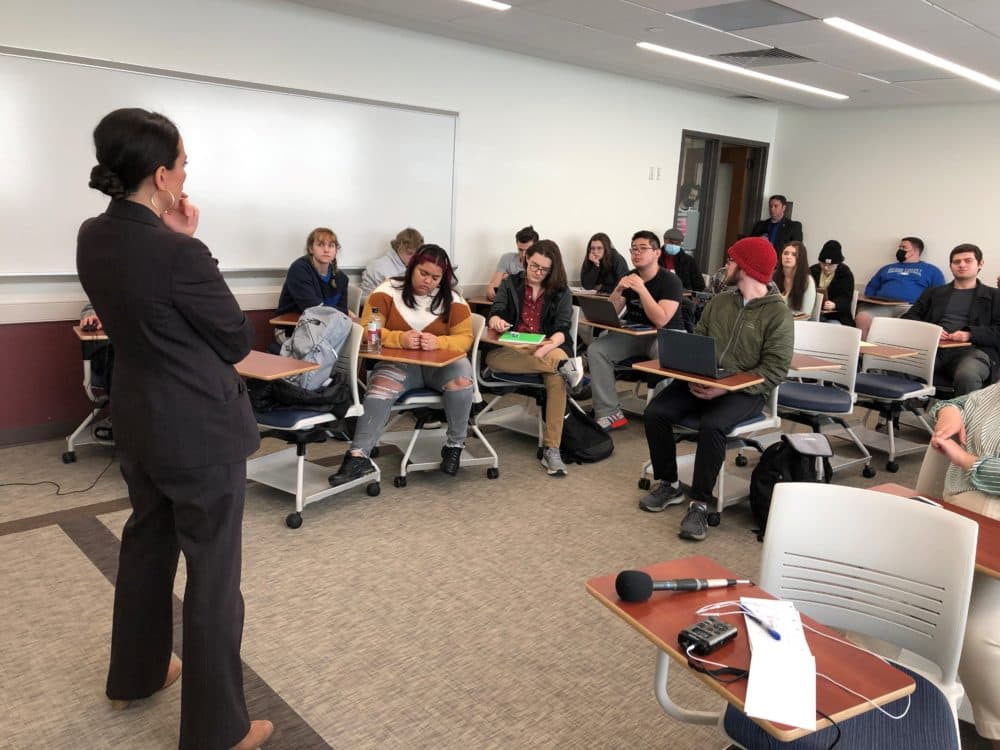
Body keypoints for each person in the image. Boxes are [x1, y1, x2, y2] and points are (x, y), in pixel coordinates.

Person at [76, 109, 271, 750]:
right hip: (200, 433)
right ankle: (219, 733)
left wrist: (176, 238)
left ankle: (136, 672)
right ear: (162, 176)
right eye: (183, 164)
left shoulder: (91, 235)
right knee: (213, 577)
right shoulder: (178, 252)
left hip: (138, 421)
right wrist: (192, 242)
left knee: (146, 549)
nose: (187, 174)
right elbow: (232, 336)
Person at [639, 237, 793, 542]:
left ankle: (699, 504)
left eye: (733, 261)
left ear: (747, 268)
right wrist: (694, 374)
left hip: (744, 391)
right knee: (655, 411)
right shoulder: (721, 301)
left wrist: (724, 389)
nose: (727, 266)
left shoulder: (778, 314)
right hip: (703, 380)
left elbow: (774, 369)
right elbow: (698, 340)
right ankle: (669, 484)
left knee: (712, 425)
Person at [329, 245, 475, 485]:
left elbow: (465, 339)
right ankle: (358, 456)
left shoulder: (455, 300)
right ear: (411, 268)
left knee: (462, 378)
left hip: (441, 368)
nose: (428, 281)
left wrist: (438, 341)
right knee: (378, 389)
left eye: (435, 277)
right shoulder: (385, 291)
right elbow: (369, 330)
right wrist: (400, 338)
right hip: (400, 365)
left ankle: (455, 445)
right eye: (423, 273)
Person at [929, 386, 1000, 749]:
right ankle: (859, 697)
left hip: (987, 532)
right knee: (873, 592)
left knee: (979, 635)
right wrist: (948, 414)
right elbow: (964, 401)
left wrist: (967, 462)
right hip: (959, 517)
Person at [486, 239, 582, 477]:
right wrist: (496, 320)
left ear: (553, 269)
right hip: (510, 349)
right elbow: (495, 311)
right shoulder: (511, 284)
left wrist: (543, 350)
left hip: (546, 346)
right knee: (559, 367)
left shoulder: (560, 291)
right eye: (533, 265)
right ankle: (567, 368)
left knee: (556, 376)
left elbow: (562, 329)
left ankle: (552, 448)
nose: (537, 272)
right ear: (527, 259)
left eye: (543, 269)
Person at [589, 230, 685, 432]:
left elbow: (660, 320)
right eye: (633, 249)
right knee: (596, 349)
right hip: (636, 335)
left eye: (643, 248)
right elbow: (611, 313)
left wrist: (642, 290)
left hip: (667, 336)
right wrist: (618, 290)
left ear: (657, 253)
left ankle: (665, 415)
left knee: (663, 351)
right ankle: (609, 413)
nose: (637, 253)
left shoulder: (670, 281)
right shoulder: (629, 277)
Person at [902, 243, 1000, 396]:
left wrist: (969, 334)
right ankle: (899, 413)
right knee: (899, 367)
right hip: (933, 349)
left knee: (967, 375)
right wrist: (931, 331)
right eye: (956, 261)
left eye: (968, 261)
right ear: (951, 265)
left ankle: (963, 419)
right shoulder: (933, 293)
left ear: (980, 264)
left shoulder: (995, 296)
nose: (961, 265)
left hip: (973, 351)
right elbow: (909, 318)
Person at [856, 236, 945, 339]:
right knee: (862, 317)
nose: (899, 250)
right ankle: (865, 353)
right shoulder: (887, 268)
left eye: (903, 247)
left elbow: (939, 294)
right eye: (899, 247)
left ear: (915, 251)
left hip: (910, 309)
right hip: (882, 307)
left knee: (904, 326)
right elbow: (871, 287)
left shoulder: (932, 271)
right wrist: (871, 300)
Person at [275, 227, 351, 317]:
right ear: (311, 249)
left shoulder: (342, 278)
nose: (326, 250)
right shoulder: (299, 269)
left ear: (335, 252)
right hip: (293, 326)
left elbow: (344, 312)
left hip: (328, 326)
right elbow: (312, 308)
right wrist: (342, 312)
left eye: (331, 246)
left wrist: (344, 312)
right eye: (320, 245)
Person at [361, 227, 424, 296]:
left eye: (416, 254)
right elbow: (364, 298)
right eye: (409, 253)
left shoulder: (419, 267)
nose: (413, 257)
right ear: (398, 248)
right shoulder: (377, 267)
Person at [809, 240, 856, 326]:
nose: (826, 268)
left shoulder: (845, 274)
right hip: (813, 312)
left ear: (837, 264)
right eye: (823, 264)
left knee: (833, 325)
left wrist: (835, 304)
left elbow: (846, 297)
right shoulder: (812, 270)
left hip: (836, 316)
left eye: (830, 265)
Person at [486, 225, 537, 301]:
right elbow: (492, 289)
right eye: (520, 249)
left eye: (527, 250)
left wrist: (509, 279)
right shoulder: (507, 258)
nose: (523, 254)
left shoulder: (541, 264)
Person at [772, 240, 816, 316]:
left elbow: (805, 314)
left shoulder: (807, 281)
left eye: (794, 254)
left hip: (798, 324)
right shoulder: (774, 276)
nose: (788, 257)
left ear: (801, 258)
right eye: (785, 253)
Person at [661, 227, 705, 292]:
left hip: (683, 297)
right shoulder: (655, 258)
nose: (674, 245)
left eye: (677, 244)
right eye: (671, 242)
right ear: (665, 241)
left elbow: (699, 285)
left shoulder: (688, 261)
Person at [675, 183, 700, 251]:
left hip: (686, 253)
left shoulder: (694, 213)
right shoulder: (674, 210)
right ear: (685, 194)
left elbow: (691, 240)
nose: (693, 198)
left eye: (695, 196)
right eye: (692, 195)